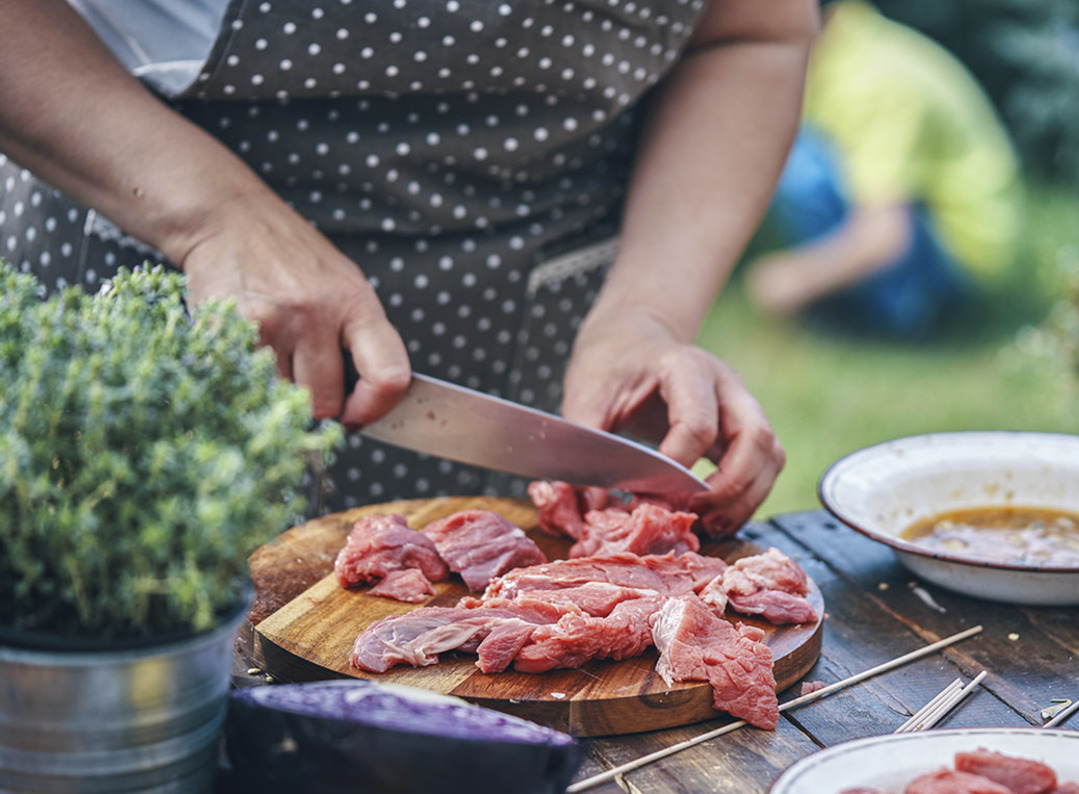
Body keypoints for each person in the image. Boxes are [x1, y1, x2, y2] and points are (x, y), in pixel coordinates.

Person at [0, 0, 817, 536]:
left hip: (533, 347)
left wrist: (646, 315)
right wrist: (214, 216)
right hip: (150, 293)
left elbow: (752, 31)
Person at [745, 0, 1022, 338]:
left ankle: (900, 312)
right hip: (941, 229)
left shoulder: (872, 85)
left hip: (959, 258)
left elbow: (887, 237)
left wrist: (792, 279)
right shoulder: (847, 49)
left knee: (797, 161)